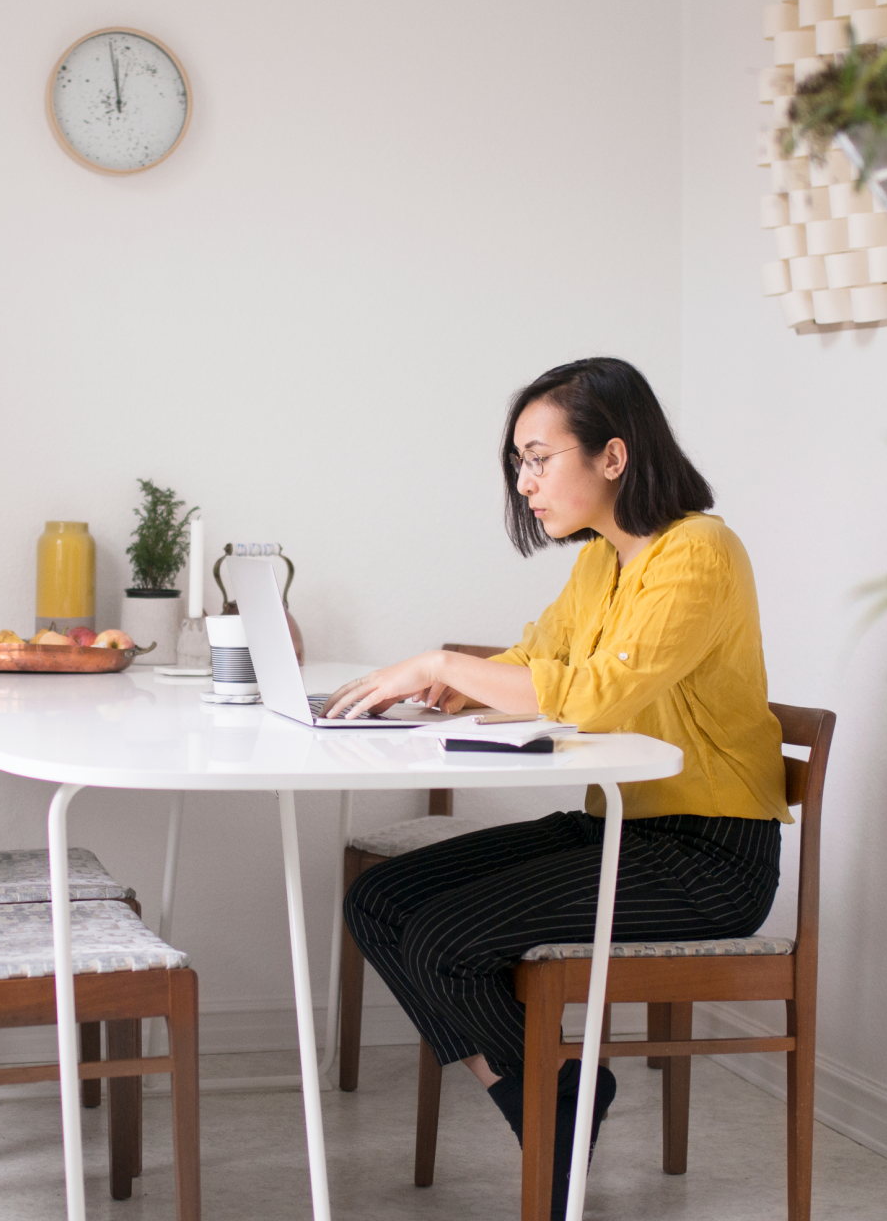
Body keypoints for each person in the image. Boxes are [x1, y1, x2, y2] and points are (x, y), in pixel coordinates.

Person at [327, 357, 787, 1212]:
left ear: (613, 457)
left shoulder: (700, 552)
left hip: (710, 856)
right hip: (621, 825)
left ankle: (556, 1113)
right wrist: (453, 685)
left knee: (444, 939)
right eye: (518, 462)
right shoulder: (598, 564)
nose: (525, 481)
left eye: (539, 458)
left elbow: (598, 695)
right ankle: (563, 1093)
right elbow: (541, 660)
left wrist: (441, 660)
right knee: (379, 902)